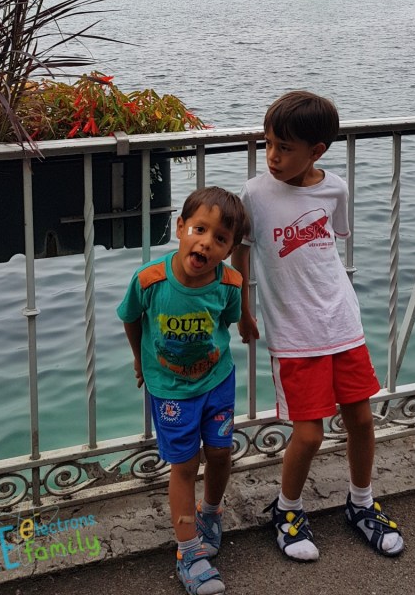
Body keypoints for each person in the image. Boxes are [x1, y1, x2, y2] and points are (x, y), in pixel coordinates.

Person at [233, 91, 404, 562]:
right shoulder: (255, 194)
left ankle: (361, 503)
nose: (272, 156)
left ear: (317, 151)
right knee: (308, 433)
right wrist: (244, 310)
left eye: (284, 148)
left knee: (362, 420)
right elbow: (242, 251)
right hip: (293, 332)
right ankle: (287, 509)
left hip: (342, 320)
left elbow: (331, 243)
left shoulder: (335, 188)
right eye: (268, 143)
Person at [117, 186, 249, 595]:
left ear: (229, 249)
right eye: (199, 229)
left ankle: (211, 512)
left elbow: (225, 324)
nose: (206, 242)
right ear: (180, 228)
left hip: (217, 382)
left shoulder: (230, 283)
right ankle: (188, 551)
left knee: (221, 453)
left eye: (220, 239)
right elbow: (131, 318)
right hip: (171, 391)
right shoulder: (149, 280)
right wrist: (140, 361)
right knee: (185, 466)